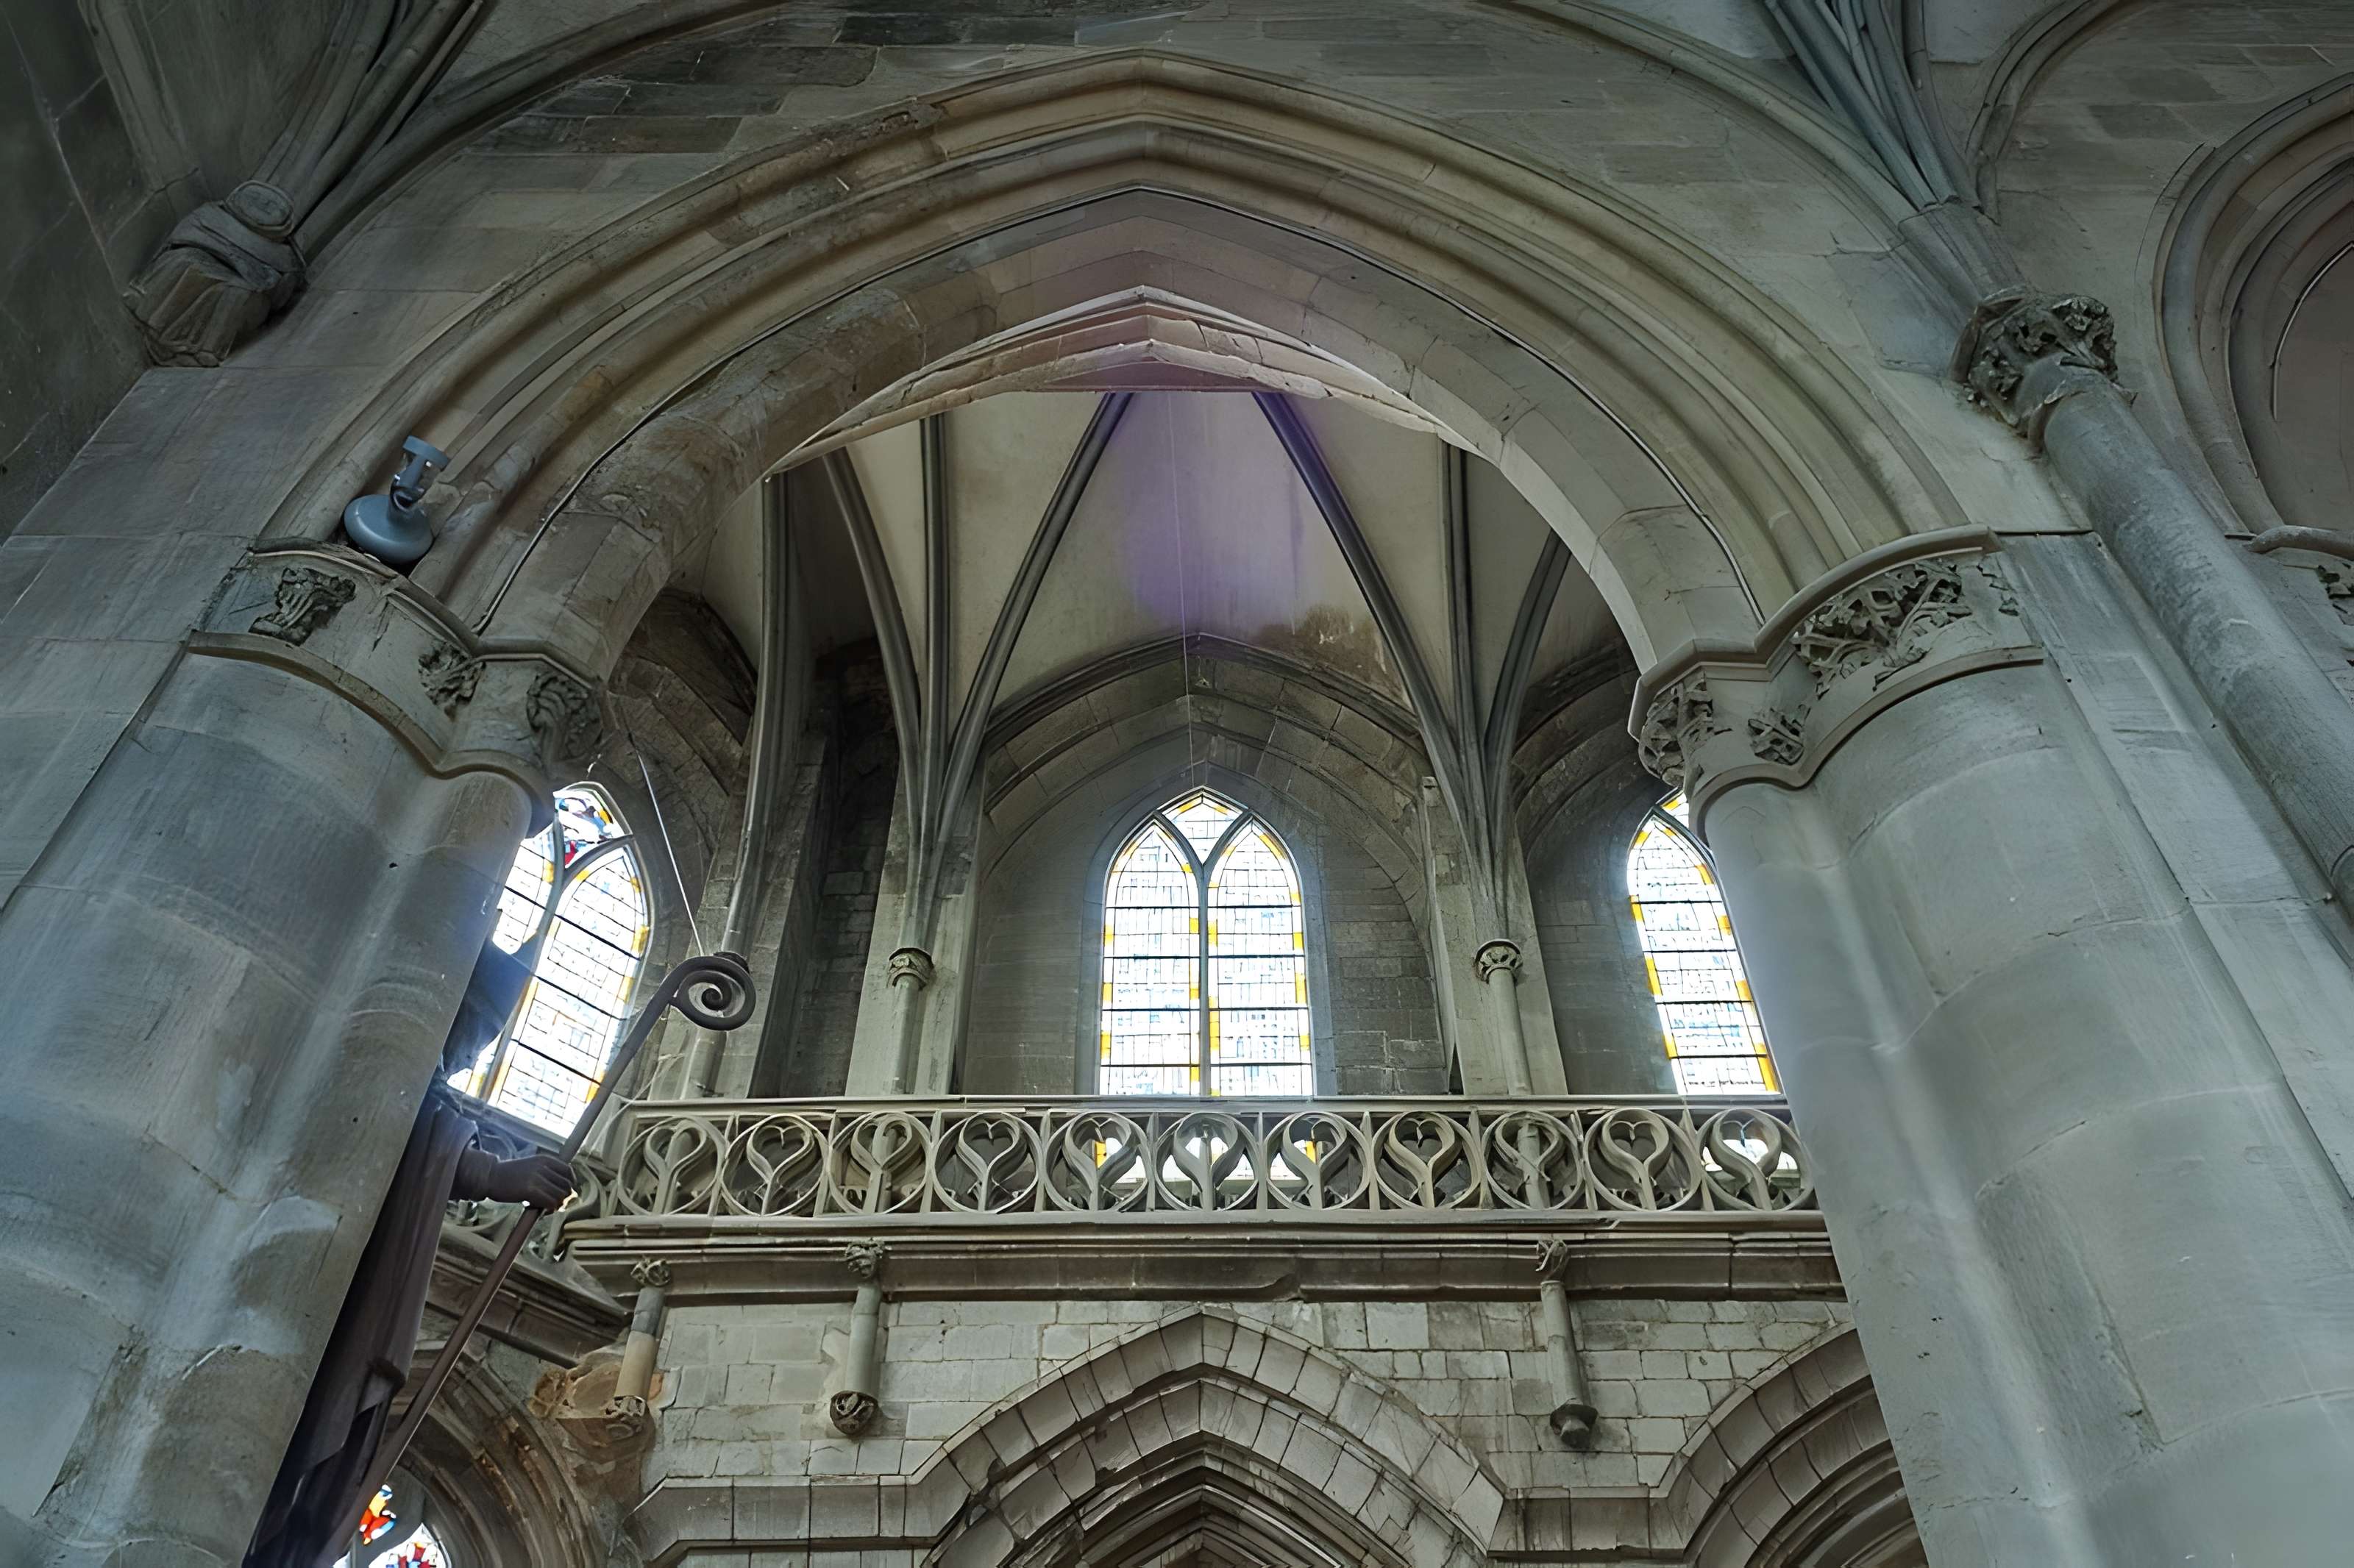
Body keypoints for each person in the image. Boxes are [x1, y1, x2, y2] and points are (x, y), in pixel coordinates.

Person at [244, 942, 575, 1568]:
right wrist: (492, 1175)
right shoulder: (359, 1039)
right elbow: (389, 1112)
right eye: (472, 1034)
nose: (467, 1051)